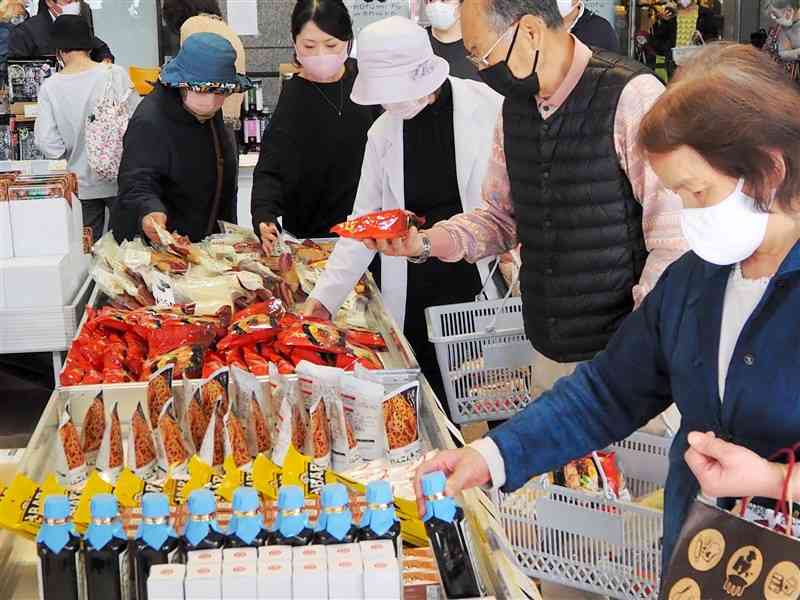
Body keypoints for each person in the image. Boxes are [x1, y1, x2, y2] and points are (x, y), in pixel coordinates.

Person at [412, 42, 800, 572]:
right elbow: (608, 391)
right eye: (677, 195)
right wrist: (492, 455)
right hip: (699, 559)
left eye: (699, 192)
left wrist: (776, 481)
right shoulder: (696, 281)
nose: (688, 217)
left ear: (768, 170)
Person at [365, 0, 685, 403]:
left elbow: (674, 242)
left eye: (481, 51)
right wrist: (424, 242)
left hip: (627, 359)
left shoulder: (631, 97)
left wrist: (640, 344)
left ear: (530, 31)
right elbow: (499, 219)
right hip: (548, 348)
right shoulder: (514, 109)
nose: (480, 68)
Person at [305, 16, 503, 403]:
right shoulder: (383, 132)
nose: (390, 102)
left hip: (477, 282)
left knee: (496, 397)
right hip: (415, 289)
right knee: (431, 404)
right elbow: (361, 226)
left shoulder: (490, 109)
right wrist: (324, 301)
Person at [251, 0, 379, 246]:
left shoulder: (367, 83)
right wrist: (264, 214)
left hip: (369, 234)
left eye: (331, 45)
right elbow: (270, 169)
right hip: (310, 238)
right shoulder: (293, 96)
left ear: (348, 42)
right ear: (295, 43)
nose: (321, 55)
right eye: (309, 46)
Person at [111, 32, 251, 243]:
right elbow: (136, 179)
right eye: (203, 89)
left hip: (205, 238)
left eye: (221, 91)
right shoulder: (150, 119)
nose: (213, 99)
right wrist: (150, 210)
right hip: (161, 244)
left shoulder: (209, 111)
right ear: (181, 84)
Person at [34, 15, 139, 242]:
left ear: (59, 51)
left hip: (81, 184)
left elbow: (45, 140)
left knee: (86, 252)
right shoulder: (115, 74)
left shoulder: (50, 87)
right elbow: (139, 122)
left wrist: (70, 155)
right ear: (90, 45)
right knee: (126, 251)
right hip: (122, 179)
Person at [162, 0, 246, 135]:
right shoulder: (222, 26)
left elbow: (189, 74)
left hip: (207, 117)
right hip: (228, 116)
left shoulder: (193, 25)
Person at [8, 0, 112, 62]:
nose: (75, 6)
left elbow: (99, 47)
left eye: (77, 1)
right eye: (69, 2)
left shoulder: (79, 22)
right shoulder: (26, 31)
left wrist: (105, 61)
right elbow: (16, 67)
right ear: (50, 2)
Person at [652, 0, 718, 78]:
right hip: (675, 64)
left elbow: (713, 37)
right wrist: (663, 21)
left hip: (698, 63)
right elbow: (658, 41)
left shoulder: (705, 13)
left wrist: (701, 38)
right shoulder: (671, 14)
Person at [425, 0, 481, 81]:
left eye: (444, 0)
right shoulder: (418, 43)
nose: (436, 5)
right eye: (431, 0)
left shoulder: (480, 48)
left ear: (462, 5)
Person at [763, 0, 800, 82]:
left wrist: (785, 54)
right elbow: (767, 51)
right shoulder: (778, 28)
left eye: (776, 15)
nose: (774, 19)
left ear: (789, 11)